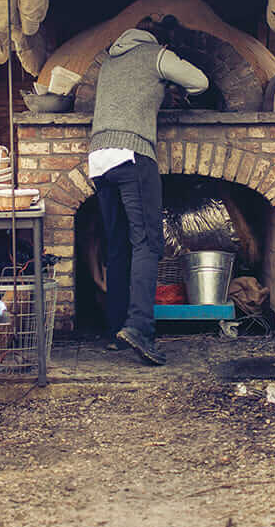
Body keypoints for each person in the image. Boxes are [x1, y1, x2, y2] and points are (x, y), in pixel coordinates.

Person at [88, 21, 208, 365]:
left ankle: (117, 330)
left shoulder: (110, 61)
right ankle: (139, 326)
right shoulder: (156, 55)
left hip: (98, 158)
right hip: (132, 154)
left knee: (118, 245)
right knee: (149, 243)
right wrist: (176, 84)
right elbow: (200, 82)